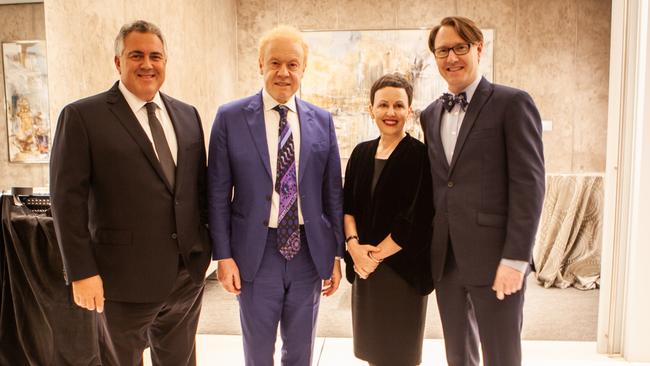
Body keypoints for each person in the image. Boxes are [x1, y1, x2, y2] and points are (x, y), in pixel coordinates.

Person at [50, 20, 211, 366]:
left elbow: (197, 190)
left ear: (165, 61)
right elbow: (67, 202)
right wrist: (80, 272)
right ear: (118, 61)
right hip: (120, 281)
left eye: (156, 56)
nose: (147, 64)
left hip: (186, 277)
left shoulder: (187, 115)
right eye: (135, 55)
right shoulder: (82, 116)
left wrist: (205, 248)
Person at [207, 25, 344, 366]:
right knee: (258, 350)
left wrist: (336, 255)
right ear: (260, 65)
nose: (283, 72)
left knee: (300, 351)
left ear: (303, 68)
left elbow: (332, 194)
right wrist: (223, 257)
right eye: (275, 63)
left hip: (308, 252)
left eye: (292, 64)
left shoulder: (322, 121)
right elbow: (217, 193)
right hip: (256, 252)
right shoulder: (230, 117)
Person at [420, 16, 545, 366]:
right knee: (458, 357)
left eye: (460, 48)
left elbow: (529, 185)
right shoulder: (430, 114)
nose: (452, 57)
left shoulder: (512, 103)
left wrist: (516, 259)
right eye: (443, 50)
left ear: (479, 49)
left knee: (501, 356)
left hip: (496, 259)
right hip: (446, 261)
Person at [343, 73, 434, 366]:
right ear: (371, 109)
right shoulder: (361, 152)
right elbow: (348, 207)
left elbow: (415, 219)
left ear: (410, 110)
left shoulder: (420, 155)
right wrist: (355, 248)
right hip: (365, 269)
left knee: (399, 354)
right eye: (383, 105)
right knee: (373, 352)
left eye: (398, 105)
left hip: (401, 271)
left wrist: (374, 257)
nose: (390, 112)